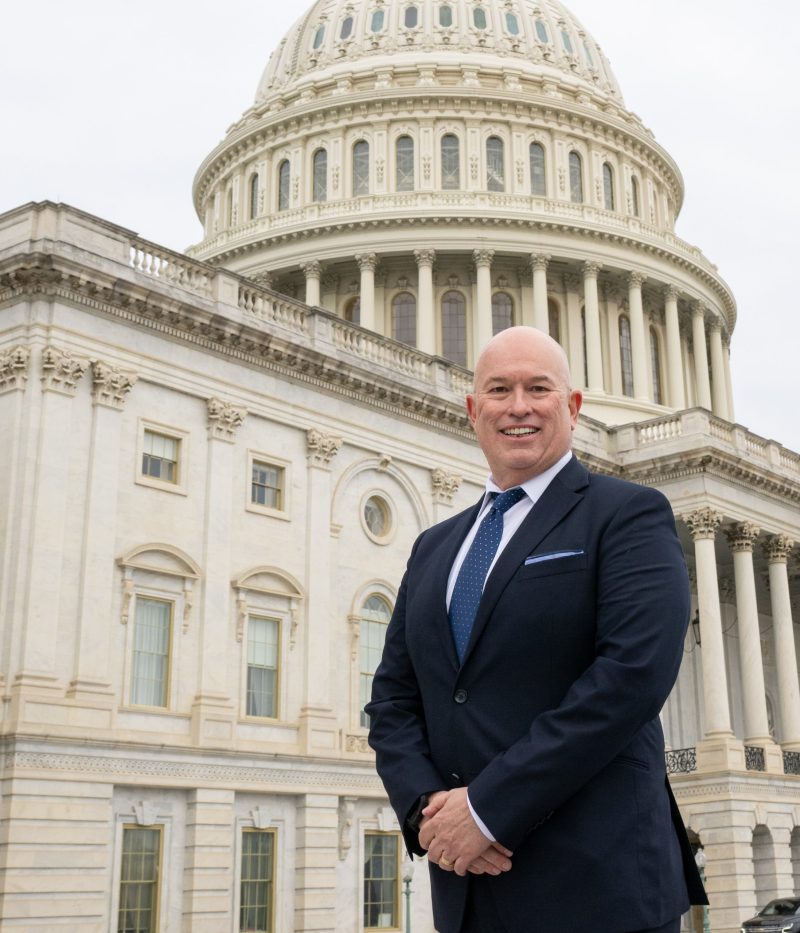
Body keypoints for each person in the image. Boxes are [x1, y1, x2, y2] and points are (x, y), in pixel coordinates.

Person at [366, 326, 707, 933]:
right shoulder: (434, 547)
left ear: (571, 407)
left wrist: (488, 810)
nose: (517, 406)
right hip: (468, 889)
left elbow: (629, 679)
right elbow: (393, 696)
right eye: (498, 389)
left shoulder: (627, 514)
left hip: (599, 890)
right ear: (474, 412)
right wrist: (428, 813)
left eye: (537, 388)